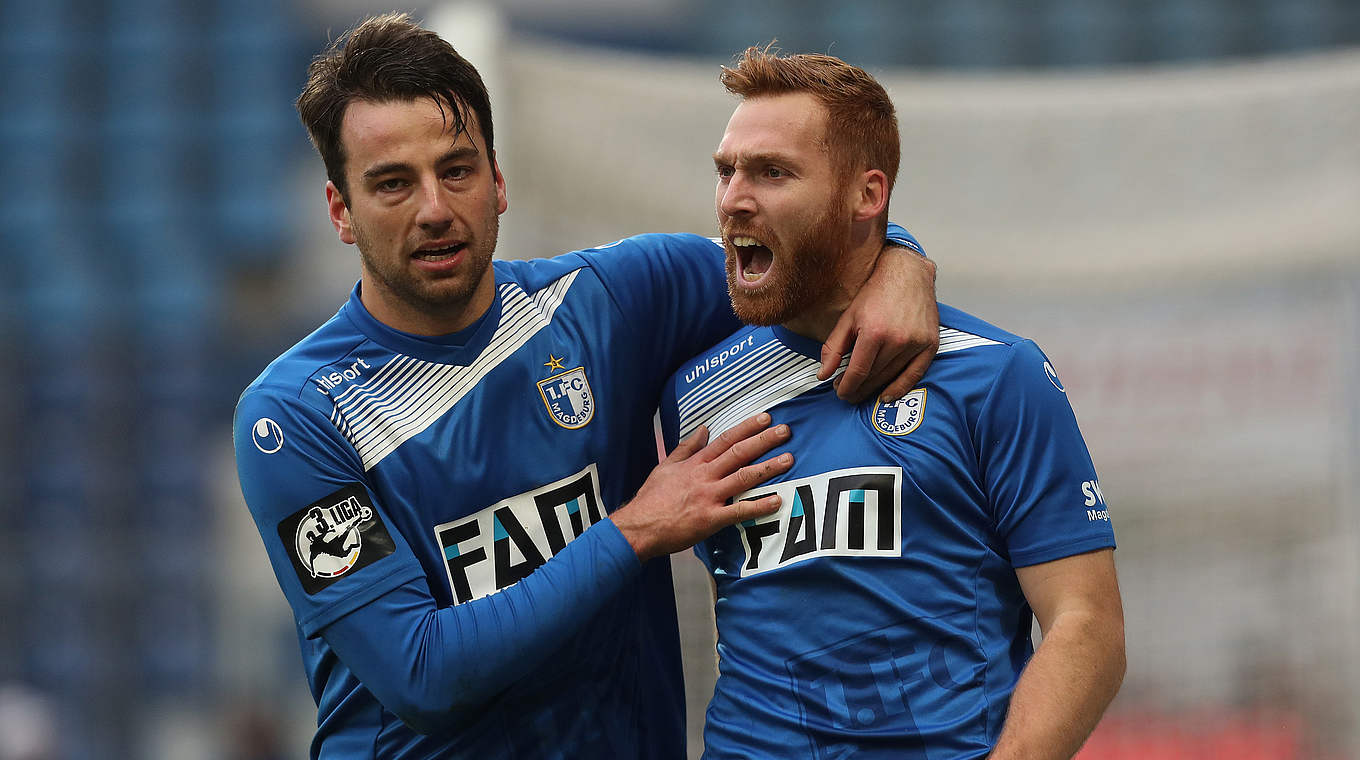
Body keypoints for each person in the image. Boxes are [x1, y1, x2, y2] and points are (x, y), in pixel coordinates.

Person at [232, 13, 941, 759]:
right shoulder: (296, 416)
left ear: (498, 183)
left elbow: (804, 252)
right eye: (392, 184)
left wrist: (903, 261)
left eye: (457, 170)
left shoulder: (609, 300)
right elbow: (422, 674)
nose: (435, 208)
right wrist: (635, 530)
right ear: (341, 211)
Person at [657, 48, 1125, 759]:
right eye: (727, 171)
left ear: (866, 195)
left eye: (773, 172)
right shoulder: (695, 394)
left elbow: (1087, 625)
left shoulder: (997, 375)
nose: (733, 199)